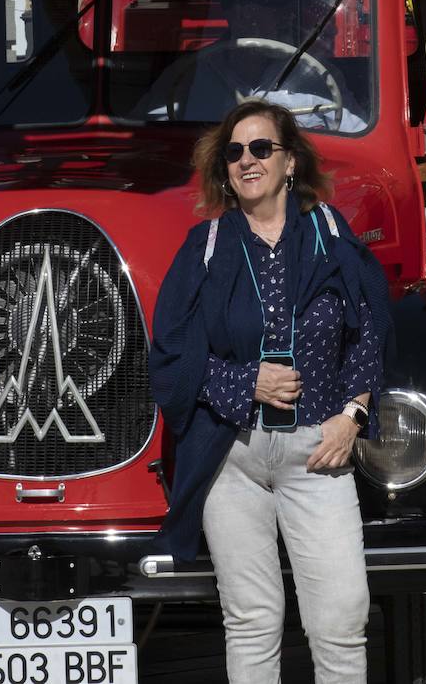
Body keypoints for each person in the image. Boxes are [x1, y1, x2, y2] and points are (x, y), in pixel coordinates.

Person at [149, 98, 390, 684]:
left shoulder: (330, 233)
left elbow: (371, 330)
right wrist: (243, 379)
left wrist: (354, 414)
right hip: (232, 457)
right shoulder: (203, 247)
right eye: (234, 152)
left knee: (340, 618)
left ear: (290, 163)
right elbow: (169, 358)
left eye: (261, 148)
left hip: (318, 452)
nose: (246, 160)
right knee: (254, 621)